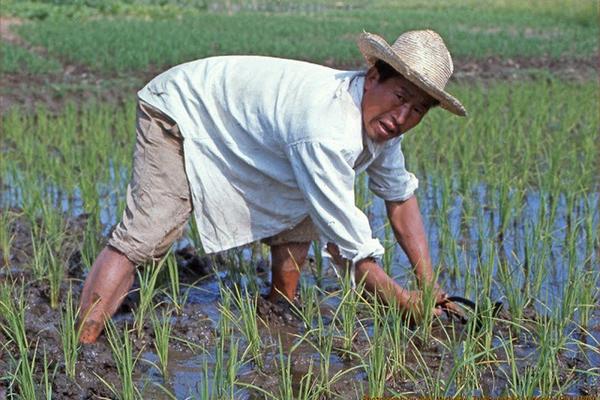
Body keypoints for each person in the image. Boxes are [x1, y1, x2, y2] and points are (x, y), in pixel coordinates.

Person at [78, 29, 467, 344]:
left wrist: (428, 284)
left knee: (301, 212)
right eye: (400, 97)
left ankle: (279, 309)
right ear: (372, 78)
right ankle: (80, 345)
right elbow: (355, 256)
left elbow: (399, 197)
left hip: (244, 125)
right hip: (181, 108)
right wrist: (404, 304)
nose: (402, 117)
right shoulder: (327, 128)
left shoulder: (382, 129)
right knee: (146, 234)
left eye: (417, 109)